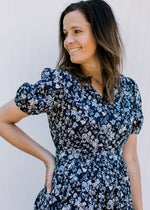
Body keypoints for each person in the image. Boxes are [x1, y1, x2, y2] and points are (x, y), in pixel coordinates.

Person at [0, 0, 144, 209]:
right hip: (69, 198)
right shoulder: (60, 84)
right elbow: (3, 119)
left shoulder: (129, 90)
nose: (68, 41)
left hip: (115, 201)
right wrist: (48, 158)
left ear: (101, 32)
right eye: (65, 33)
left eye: (77, 31)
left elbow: (130, 158)